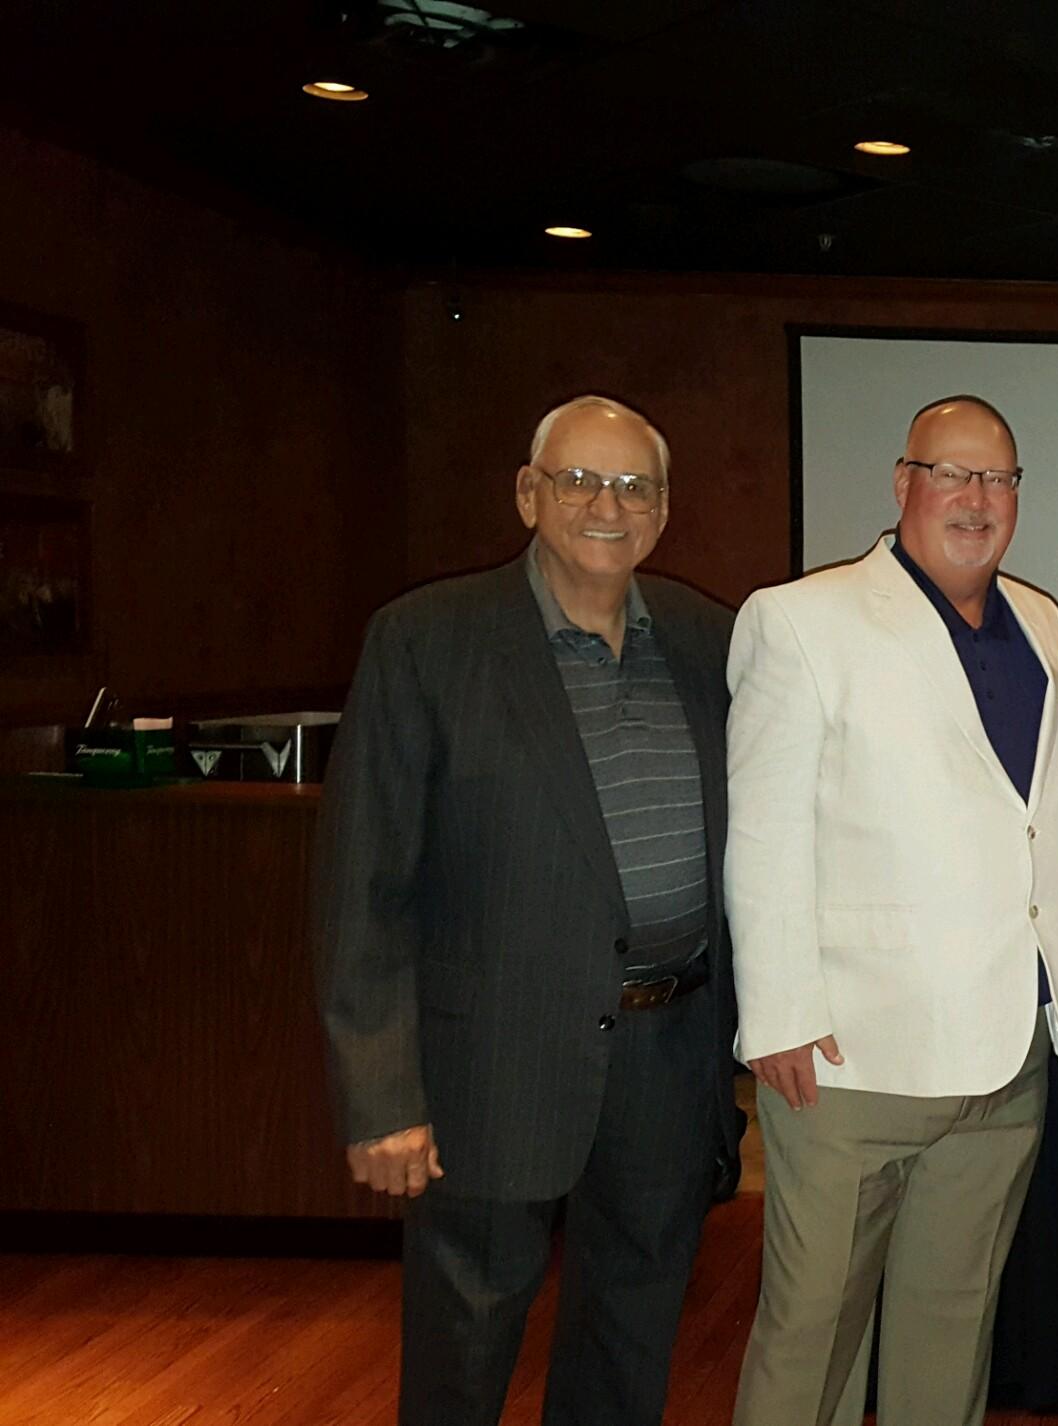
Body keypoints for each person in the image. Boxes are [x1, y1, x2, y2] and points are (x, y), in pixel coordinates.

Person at [316, 393, 741, 1426]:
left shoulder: (710, 638)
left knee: (629, 1343)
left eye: (634, 484)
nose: (608, 504)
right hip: (490, 1068)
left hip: (668, 1054)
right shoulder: (427, 641)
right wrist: (381, 1095)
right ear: (527, 492)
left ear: (665, 507)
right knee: (464, 1349)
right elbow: (363, 882)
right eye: (580, 479)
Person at [725, 395, 1058, 1426]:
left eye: (998, 478)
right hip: (851, 1063)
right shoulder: (801, 620)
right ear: (903, 483)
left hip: (1006, 1057)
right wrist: (779, 1013)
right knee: (813, 1343)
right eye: (951, 473)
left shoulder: (1041, 619)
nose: (977, 498)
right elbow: (763, 833)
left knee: (951, 1339)